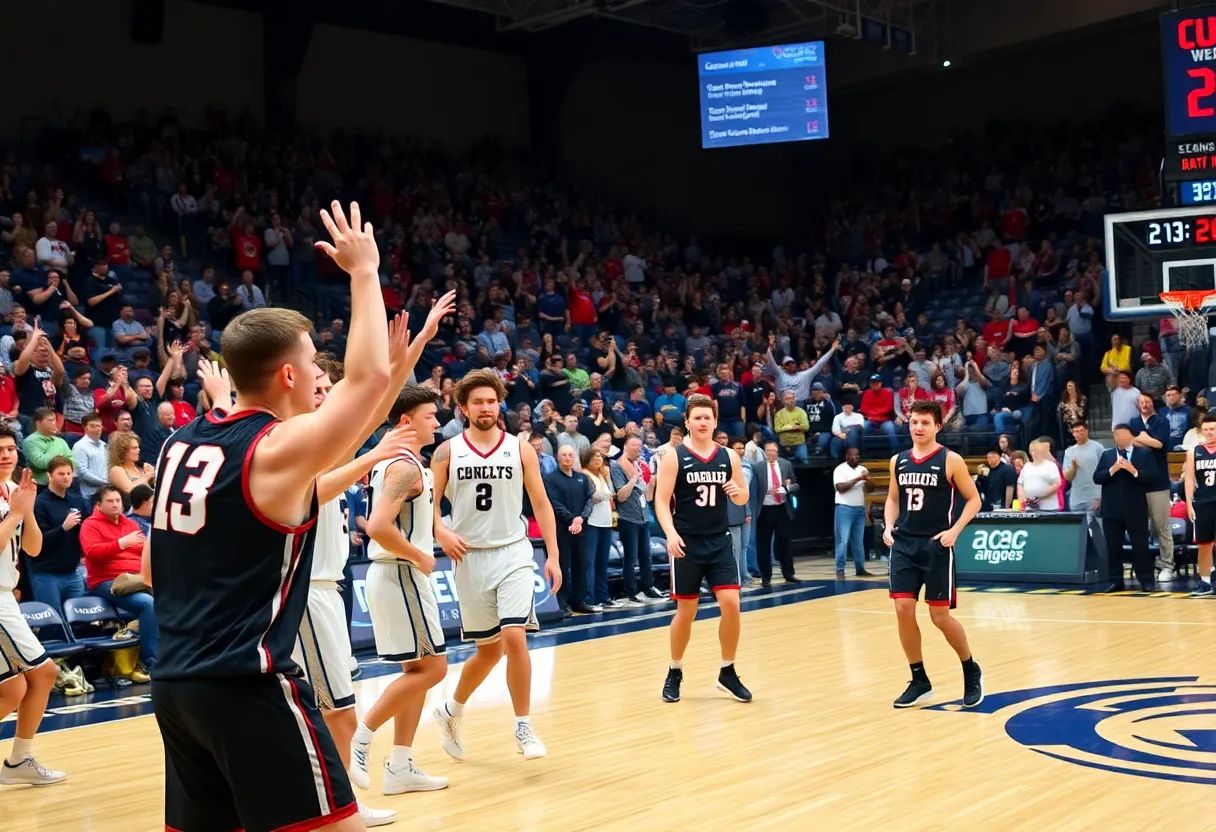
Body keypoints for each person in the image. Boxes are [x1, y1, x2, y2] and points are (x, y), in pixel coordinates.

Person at [145, 201, 393, 832]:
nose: (320, 377)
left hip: (175, 687)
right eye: (314, 366)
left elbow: (153, 563)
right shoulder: (275, 449)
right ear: (288, 373)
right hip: (244, 689)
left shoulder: (182, 442)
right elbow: (368, 384)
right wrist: (364, 273)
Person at [430, 369, 562, 762]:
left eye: (491, 400)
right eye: (477, 402)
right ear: (463, 408)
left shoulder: (520, 448)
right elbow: (429, 506)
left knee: (515, 636)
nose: (485, 407)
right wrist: (439, 531)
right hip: (469, 557)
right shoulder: (446, 451)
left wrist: (552, 554)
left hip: (514, 551)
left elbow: (540, 502)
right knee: (488, 652)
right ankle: (450, 710)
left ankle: (523, 723)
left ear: (499, 403)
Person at [350, 386, 453, 796]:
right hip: (401, 572)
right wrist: (421, 557)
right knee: (435, 669)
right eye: (430, 415)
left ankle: (400, 766)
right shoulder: (405, 467)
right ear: (406, 421)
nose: (437, 422)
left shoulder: (403, 462)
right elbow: (377, 526)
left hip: (394, 573)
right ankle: (363, 734)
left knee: (417, 672)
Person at [883, 399, 983, 709]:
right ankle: (919, 679)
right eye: (914, 421)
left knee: (939, 616)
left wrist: (955, 531)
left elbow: (974, 500)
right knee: (902, 609)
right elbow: (892, 498)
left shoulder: (950, 460)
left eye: (925, 422)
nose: (918, 427)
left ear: (937, 426)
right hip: (904, 544)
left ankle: (970, 668)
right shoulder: (897, 461)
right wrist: (888, 526)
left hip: (937, 544)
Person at [655, 394, 752, 704]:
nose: (702, 422)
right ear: (687, 422)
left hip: (720, 540)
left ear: (714, 422)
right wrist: (669, 533)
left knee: (732, 604)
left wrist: (738, 492)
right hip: (687, 543)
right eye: (696, 417)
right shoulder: (673, 456)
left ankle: (727, 670)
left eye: (707, 418)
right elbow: (660, 500)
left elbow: (742, 496)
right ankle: (675, 669)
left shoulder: (729, 457)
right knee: (687, 611)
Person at [0, 441, 58, 786]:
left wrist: (28, 509)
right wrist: (17, 513)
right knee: (45, 673)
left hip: (7, 595)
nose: (6, 454)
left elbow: (33, 548)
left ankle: (19, 760)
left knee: (12, 690)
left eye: (9, 448)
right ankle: (20, 758)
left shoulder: (13, 490)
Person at [1094, 424, 1158, 592]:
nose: (1120, 438)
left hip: (1135, 508)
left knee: (1140, 546)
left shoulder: (1143, 453)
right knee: (1113, 547)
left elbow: (1153, 476)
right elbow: (1097, 477)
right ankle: (1115, 580)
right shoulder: (1107, 455)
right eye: (1117, 435)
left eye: (1123, 434)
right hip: (1111, 509)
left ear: (1131, 436)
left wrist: (1134, 471)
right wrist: (1112, 469)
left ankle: (1146, 580)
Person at [28, 456, 87, 611]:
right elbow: (38, 542)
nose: (66, 477)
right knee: (52, 623)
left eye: (69, 473)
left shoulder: (76, 499)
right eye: (61, 474)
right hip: (47, 573)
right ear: (49, 476)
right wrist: (63, 528)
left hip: (72, 572)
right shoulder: (39, 503)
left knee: (77, 622)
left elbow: (86, 530)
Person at [751, 440, 801, 587]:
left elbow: (796, 485)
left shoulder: (786, 464)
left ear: (777, 452)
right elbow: (754, 490)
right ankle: (766, 576)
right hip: (765, 509)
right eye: (768, 451)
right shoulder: (757, 467)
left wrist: (786, 489)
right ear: (764, 452)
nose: (771, 454)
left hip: (782, 508)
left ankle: (789, 573)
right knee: (763, 545)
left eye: (774, 451)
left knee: (785, 543)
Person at [1185, 413, 1216, 596]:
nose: (1209, 433)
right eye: (1205, 430)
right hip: (1203, 502)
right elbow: (1189, 479)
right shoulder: (1194, 451)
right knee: (1204, 544)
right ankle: (1204, 582)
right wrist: (1189, 503)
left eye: (1212, 429)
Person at [833, 447, 872, 578]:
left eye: (857, 454)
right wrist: (858, 479)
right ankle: (840, 569)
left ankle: (860, 568)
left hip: (859, 508)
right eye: (853, 455)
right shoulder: (840, 469)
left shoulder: (862, 469)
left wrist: (868, 479)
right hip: (844, 508)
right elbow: (840, 488)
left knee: (858, 540)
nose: (856, 457)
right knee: (842, 540)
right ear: (847, 457)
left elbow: (871, 489)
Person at [1062, 421, 1103, 513]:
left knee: (1097, 525)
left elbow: (1104, 471)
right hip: (1077, 497)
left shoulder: (1098, 447)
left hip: (1095, 495)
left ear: (1086, 431)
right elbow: (1067, 477)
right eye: (1075, 431)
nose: (1078, 433)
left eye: (1081, 430)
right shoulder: (1069, 451)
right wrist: (1073, 467)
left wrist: (1101, 496)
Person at [1017, 438, 1062, 511]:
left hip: (1049, 508)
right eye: (1032, 450)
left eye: (1036, 450)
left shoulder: (1051, 466)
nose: (1034, 453)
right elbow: (1020, 483)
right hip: (1029, 508)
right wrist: (1024, 497)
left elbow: (1057, 484)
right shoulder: (1026, 466)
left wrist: (1040, 496)